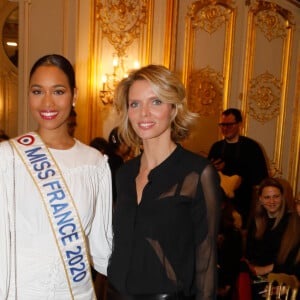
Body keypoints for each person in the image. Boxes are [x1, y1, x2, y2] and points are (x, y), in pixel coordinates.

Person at [0, 54, 113, 299]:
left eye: (58, 91)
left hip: (75, 292)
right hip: (20, 292)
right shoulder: (7, 157)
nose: (47, 103)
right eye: (37, 91)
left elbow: (102, 248)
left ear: (75, 95)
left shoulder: (94, 163)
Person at [107, 64, 222, 300]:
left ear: (173, 108)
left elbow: (206, 263)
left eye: (156, 101)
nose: (144, 113)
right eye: (135, 104)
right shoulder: (124, 174)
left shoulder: (198, 173)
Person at [208, 108, 269, 228]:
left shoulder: (252, 147)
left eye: (229, 125)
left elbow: (260, 177)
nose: (225, 128)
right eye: (222, 125)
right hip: (219, 203)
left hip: (245, 201)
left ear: (240, 124)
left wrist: (227, 167)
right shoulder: (216, 147)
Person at [244, 177, 290, 299]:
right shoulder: (256, 221)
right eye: (267, 197)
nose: (272, 201)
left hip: (282, 280)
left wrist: (265, 269)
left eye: (276, 196)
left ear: (282, 197)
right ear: (260, 199)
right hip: (256, 279)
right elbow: (248, 253)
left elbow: (293, 260)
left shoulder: (291, 222)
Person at [90, 136, 124, 203]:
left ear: (101, 150)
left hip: (107, 196)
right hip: (112, 196)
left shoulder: (99, 161)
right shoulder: (117, 159)